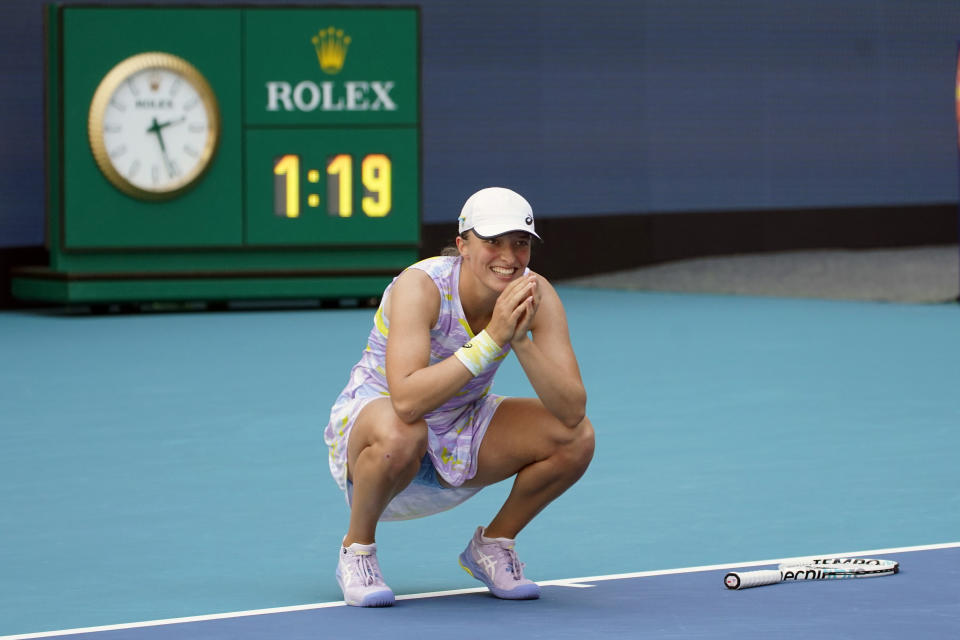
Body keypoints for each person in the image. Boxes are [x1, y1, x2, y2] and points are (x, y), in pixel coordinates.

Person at [323, 186, 595, 607]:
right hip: (378, 424)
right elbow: (407, 401)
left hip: (462, 424)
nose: (508, 257)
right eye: (492, 243)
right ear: (462, 245)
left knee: (575, 438)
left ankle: (493, 545)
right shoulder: (421, 286)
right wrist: (492, 338)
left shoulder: (535, 294)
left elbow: (572, 410)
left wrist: (519, 339)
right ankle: (356, 549)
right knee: (403, 430)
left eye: (520, 244)